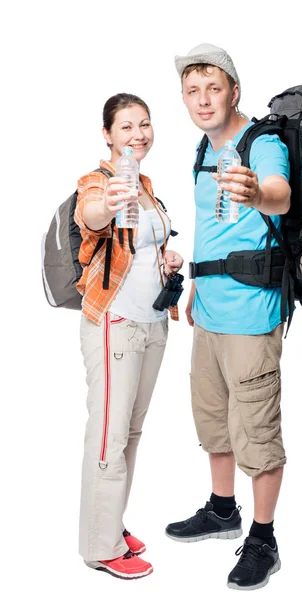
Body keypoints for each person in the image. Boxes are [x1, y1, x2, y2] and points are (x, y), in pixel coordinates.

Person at [165, 45, 291, 591]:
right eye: (192, 92)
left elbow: (279, 195)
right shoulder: (202, 147)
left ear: (233, 90)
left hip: (251, 314)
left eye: (213, 89)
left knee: (257, 431)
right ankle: (222, 511)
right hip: (210, 308)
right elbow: (211, 228)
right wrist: (196, 283)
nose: (202, 100)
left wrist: (256, 190)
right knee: (213, 418)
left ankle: (263, 539)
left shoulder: (260, 144)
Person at [75, 92, 183, 579]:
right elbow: (91, 216)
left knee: (130, 434)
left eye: (144, 124)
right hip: (114, 324)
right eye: (126, 127)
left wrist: (168, 259)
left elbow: (144, 247)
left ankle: (112, 524)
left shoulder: (147, 186)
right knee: (108, 436)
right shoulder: (100, 182)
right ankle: (100, 546)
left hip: (153, 323)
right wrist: (109, 201)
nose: (138, 134)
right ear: (107, 134)